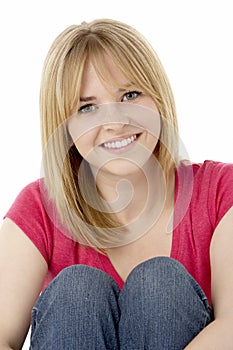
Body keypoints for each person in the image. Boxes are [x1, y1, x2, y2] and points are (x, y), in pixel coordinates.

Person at [0, 18, 233, 350]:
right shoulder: (38, 207)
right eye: (87, 107)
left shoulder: (221, 190)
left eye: (130, 94)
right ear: (64, 128)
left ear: (158, 99)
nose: (114, 122)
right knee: (77, 290)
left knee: (160, 285)